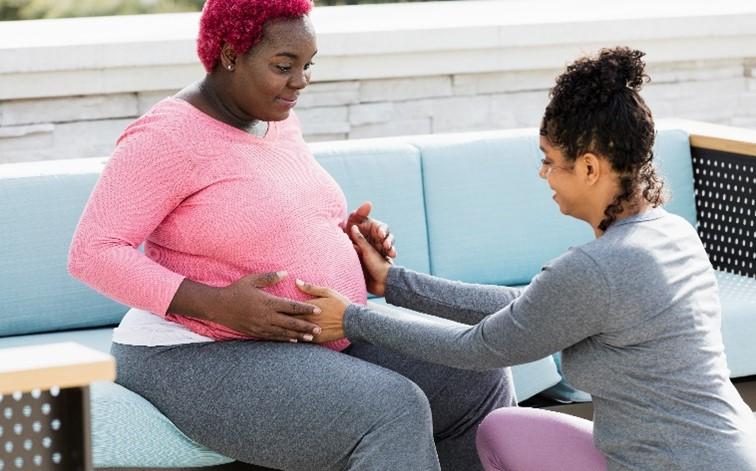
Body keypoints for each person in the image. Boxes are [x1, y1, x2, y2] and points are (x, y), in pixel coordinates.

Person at [67, 0, 514, 469]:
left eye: (307, 66)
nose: (300, 82)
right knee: (389, 407)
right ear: (229, 54)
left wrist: (348, 241)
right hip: (194, 351)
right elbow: (93, 252)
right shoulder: (167, 136)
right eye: (284, 66)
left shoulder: (271, 118)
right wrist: (214, 304)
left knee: (474, 375)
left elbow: (272, 217)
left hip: (317, 333)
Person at [295, 47, 756, 470]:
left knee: (498, 430)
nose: (543, 174)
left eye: (550, 160)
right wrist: (392, 283)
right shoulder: (672, 232)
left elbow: (473, 348)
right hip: (732, 448)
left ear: (590, 168)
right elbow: (527, 308)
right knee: (504, 428)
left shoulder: (597, 269)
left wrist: (352, 320)